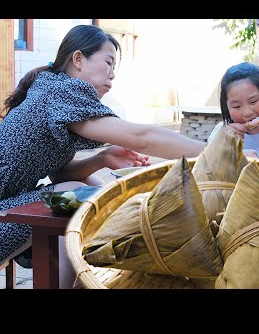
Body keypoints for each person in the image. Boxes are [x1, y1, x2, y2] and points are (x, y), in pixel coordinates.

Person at [0, 24, 206, 285]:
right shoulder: (62, 92)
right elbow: (141, 137)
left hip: (8, 210)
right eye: (108, 63)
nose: (112, 75)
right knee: (77, 197)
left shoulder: (52, 89)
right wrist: (214, 151)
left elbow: (59, 173)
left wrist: (101, 159)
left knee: (98, 192)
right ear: (78, 59)